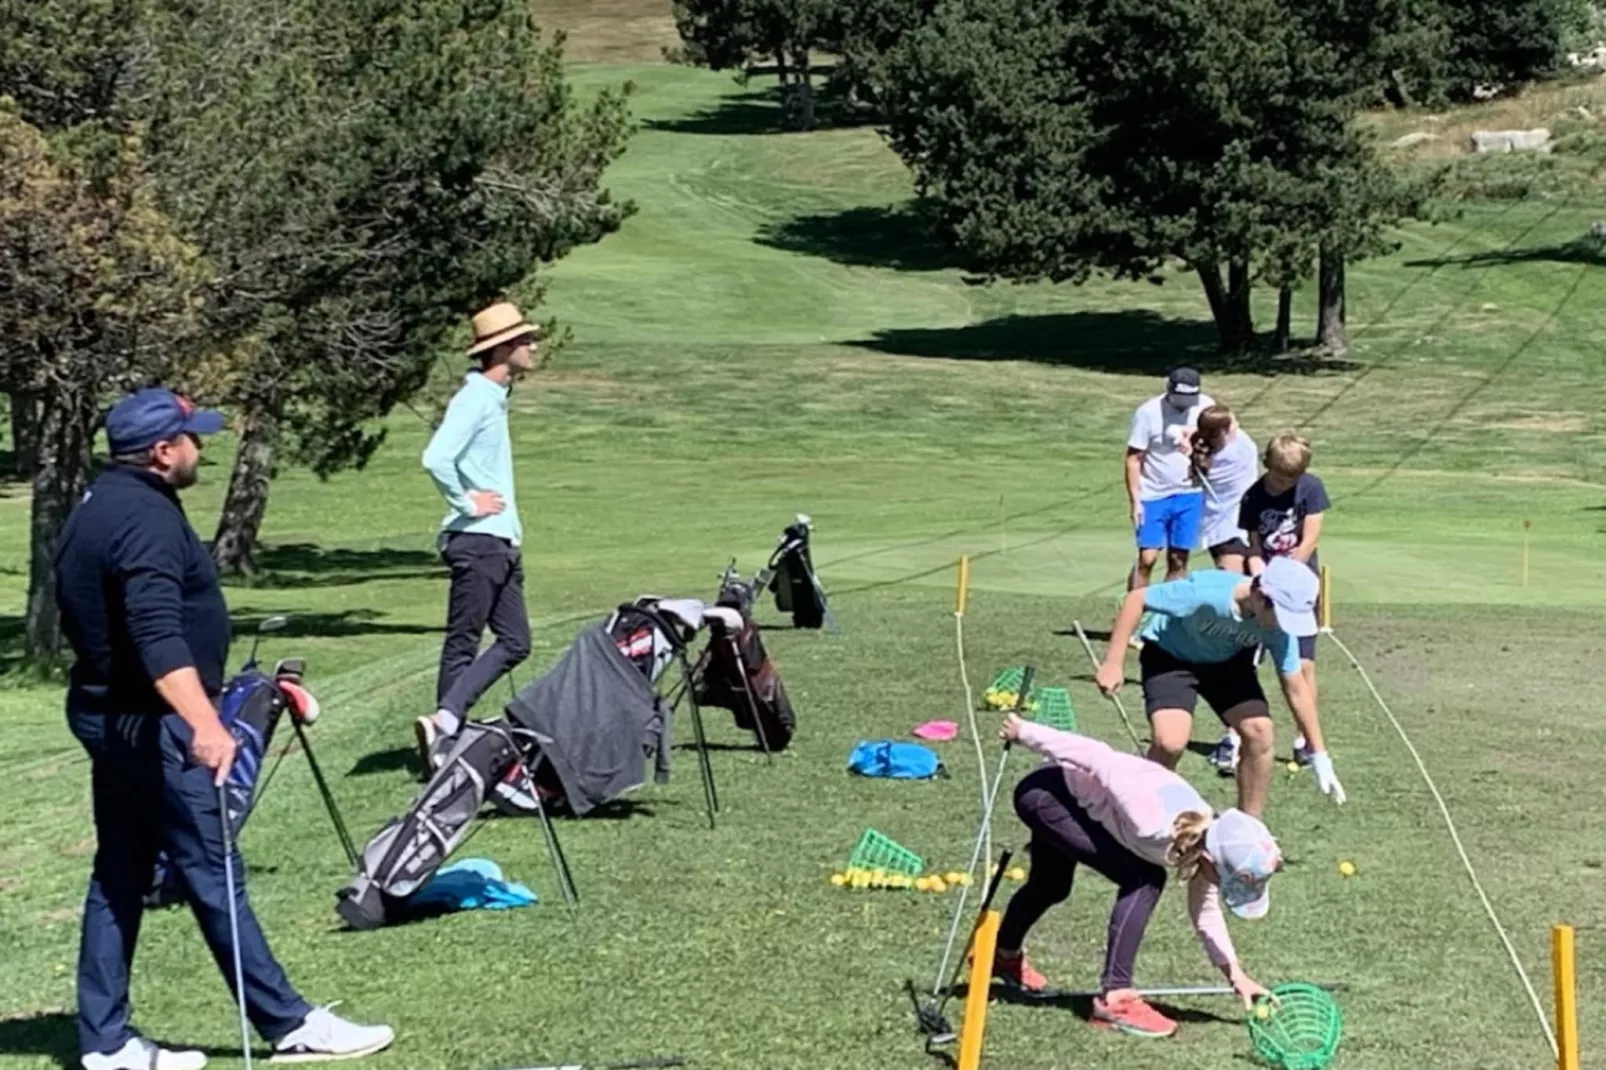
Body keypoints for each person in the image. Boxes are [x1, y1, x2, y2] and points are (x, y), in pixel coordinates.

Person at [55, 388, 394, 1070]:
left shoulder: (101, 503)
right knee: (211, 868)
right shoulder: (144, 518)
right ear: (160, 452)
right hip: (153, 723)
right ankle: (289, 1024)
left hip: (109, 714)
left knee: (119, 870)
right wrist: (205, 723)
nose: (199, 449)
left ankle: (105, 1043)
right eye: (191, 440)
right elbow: (156, 635)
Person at [989, 714, 1279, 1039]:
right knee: (1145, 879)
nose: (1218, 886)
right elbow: (1098, 756)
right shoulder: (1152, 817)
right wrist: (1025, 732)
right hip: (1048, 795)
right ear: (1212, 859)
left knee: (1051, 885)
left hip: (1073, 801)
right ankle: (1116, 998)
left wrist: (1235, 975)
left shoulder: (1203, 840)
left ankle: (1000, 957)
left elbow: (1205, 913)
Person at [1094, 557, 1346, 818]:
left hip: (1227, 664)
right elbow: (1136, 599)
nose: (1284, 626)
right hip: (1171, 658)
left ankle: (1249, 825)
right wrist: (1113, 662)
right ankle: (1143, 811)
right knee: (1170, 742)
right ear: (1260, 596)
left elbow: (1296, 688)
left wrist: (1319, 754)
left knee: (1260, 732)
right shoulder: (1204, 593)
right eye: (1282, 616)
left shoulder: (1279, 629)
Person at [416, 301, 538, 771]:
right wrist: (467, 503)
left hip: (500, 541)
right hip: (478, 540)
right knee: (463, 640)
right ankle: (445, 732)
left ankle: (447, 721)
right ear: (502, 348)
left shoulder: (494, 398)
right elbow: (435, 457)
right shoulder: (475, 398)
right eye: (525, 340)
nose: (532, 346)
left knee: (516, 640)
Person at [1238, 431, 1331, 766]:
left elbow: (1309, 539)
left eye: (1291, 477)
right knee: (1250, 659)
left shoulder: (1311, 488)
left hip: (1299, 584)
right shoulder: (1252, 497)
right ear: (1267, 465)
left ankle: (1305, 737)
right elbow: (1253, 546)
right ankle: (1236, 733)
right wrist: (1263, 579)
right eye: (1279, 476)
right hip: (1263, 585)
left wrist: (1287, 575)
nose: (1284, 483)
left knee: (1304, 664)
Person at [1125, 368, 1215, 596]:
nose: (1185, 403)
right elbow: (1134, 458)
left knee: (1178, 559)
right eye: (1180, 398)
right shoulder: (1148, 413)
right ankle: (1131, 613)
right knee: (1148, 558)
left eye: (1189, 398)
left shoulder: (1206, 406)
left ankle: (1162, 622)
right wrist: (1135, 501)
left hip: (1190, 493)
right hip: (1153, 493)